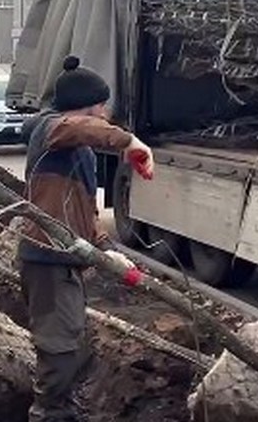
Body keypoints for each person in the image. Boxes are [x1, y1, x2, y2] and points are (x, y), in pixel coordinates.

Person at [18, 55, 155, 421]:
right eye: (102, 105)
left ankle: (60, 408)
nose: (106, 113)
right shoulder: (52, 130)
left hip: (66, 258)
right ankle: (48, 413)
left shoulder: (76, 151)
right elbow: (81, 128)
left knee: (74, 342)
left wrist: (109, 251)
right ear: (88, 107)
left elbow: (84, 217)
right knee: (58, 346)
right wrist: (132, 143)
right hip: (47, 257)